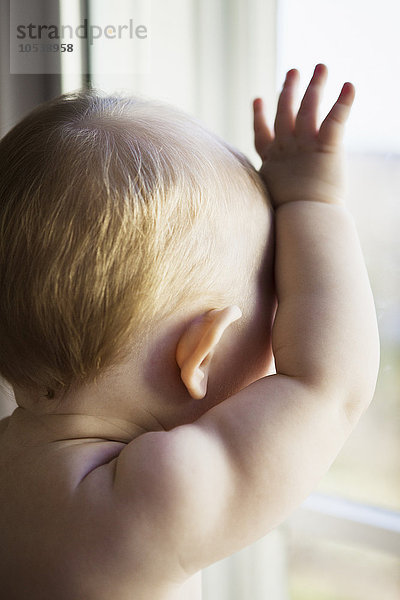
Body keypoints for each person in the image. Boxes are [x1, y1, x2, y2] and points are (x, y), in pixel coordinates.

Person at [0, 64, 379, 599]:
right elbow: (327, 386)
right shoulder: (149, 500)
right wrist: (313, 201)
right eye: (277, 304)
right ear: (199, 353)